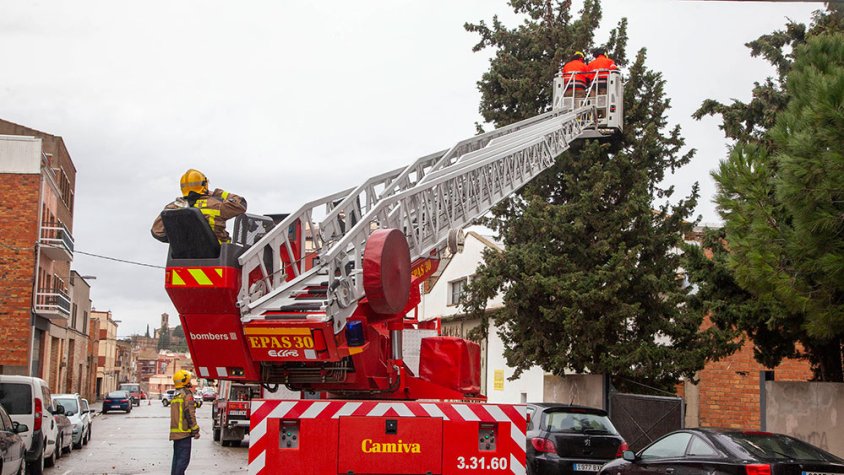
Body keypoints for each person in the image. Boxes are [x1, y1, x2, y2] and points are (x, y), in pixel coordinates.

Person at [151, 168, 247, 244]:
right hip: (218, 257)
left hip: (183, 258)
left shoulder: (173, 208)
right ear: (204, 184)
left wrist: (179, 240)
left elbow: (157, 232)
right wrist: (218, 193)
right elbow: (241, 204)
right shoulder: (216, 204)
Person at [170, 370, 200, 475]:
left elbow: (182, 410)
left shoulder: (176, 395)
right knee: (183, 462)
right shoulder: (187, 395)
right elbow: (189, 413)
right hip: (184, 433)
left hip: (176, 434)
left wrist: (195, 404)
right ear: (185, 380)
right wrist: (195, 429)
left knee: (176, 460)